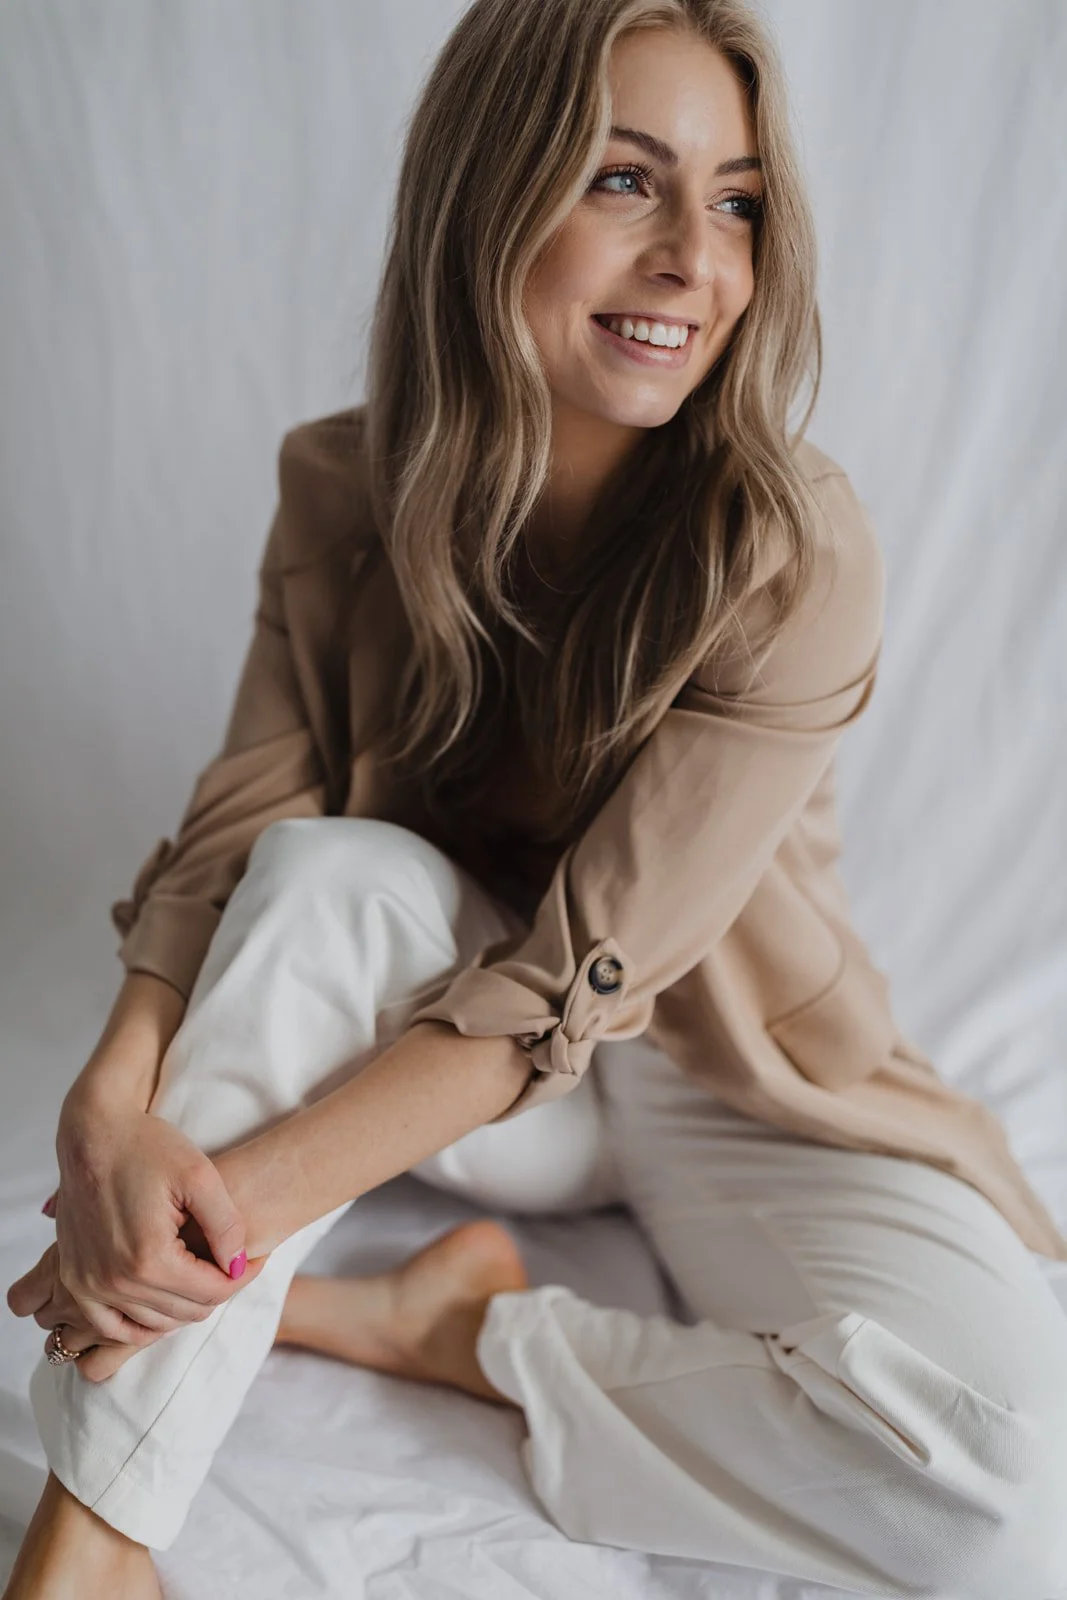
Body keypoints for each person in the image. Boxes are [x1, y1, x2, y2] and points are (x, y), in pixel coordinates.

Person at [6, 2, 1067, 1596]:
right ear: (487, 191)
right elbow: (241, 824)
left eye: (735, 201)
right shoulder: (342, 486)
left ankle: (447, 1327)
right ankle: (93, 1546)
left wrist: (193, 1241)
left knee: (1005, 1496)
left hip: (725, 1072)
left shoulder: (789, 549)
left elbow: (591, 977)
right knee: (318, 876)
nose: (692, 260)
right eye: (624, 181)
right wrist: (108, 1111)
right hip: (455, 1045)